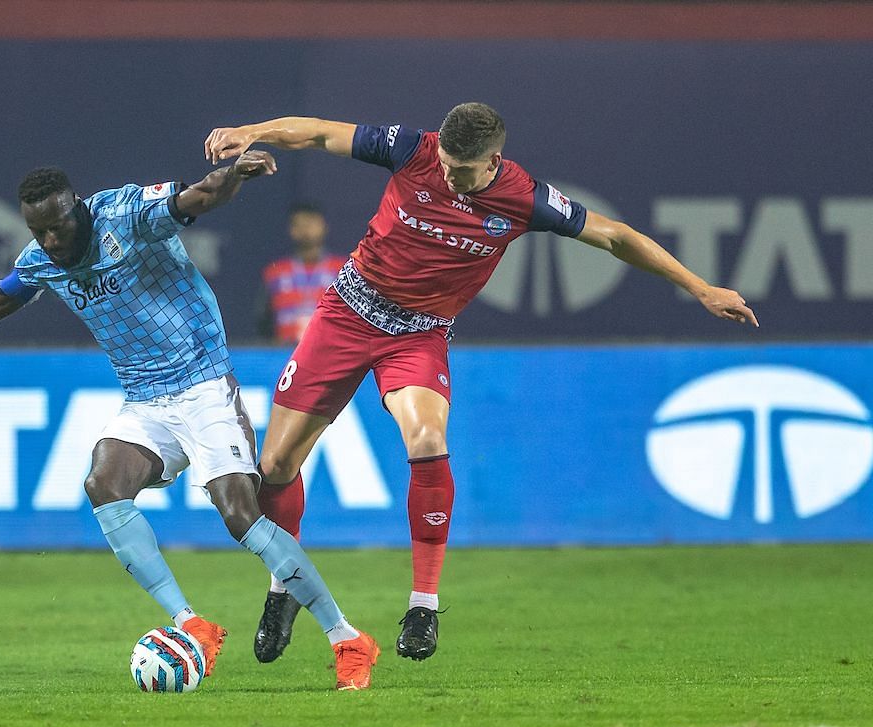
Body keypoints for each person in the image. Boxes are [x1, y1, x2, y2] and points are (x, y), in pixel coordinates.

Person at [205, 103, 758, 663]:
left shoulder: (524, 198)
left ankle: (423, 604)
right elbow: (322, 133)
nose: (449, 177)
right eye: (445, 163)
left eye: (462, 171)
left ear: (494, 159)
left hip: (417, 337)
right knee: (274, 467)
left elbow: (615, 237)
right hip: (345, 314)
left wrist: (700, 287)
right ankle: (283, 589)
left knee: (427, 440)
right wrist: (253, 130)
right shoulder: (412, 150)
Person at [0, 152, 380, 690]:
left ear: (76, 207)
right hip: (145, 400)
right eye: (38, 231)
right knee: (103, 484)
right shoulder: (39, 260)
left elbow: (198, 196)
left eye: (57, 226)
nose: (51, 241)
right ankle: (192, 624)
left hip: (205, 385)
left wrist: (234, 175)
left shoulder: (125, 216)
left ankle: (347, 639)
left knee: (241, 515)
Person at [258, 204, 346, 344]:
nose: (306, 230)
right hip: (281, 355)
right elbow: (262, 321)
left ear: (324, 226)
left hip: (331, 352)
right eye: (299, 224)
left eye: (311, 223)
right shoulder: (274, 272)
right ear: (290, 230)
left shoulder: (343, 269)